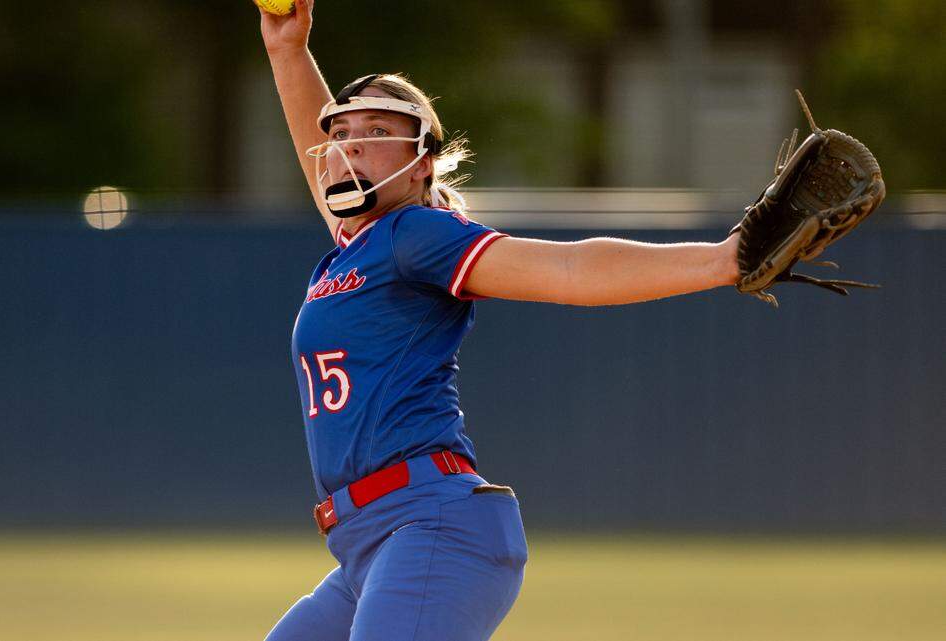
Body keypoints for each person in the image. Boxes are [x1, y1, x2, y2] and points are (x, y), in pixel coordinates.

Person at [258, 2, 739, 639]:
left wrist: (725, 260)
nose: (352, 146)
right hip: (367, 548)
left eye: (378, 131)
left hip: (431, 528)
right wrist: (287, 52)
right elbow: (324, 153)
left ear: (421, 161)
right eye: (344, 134)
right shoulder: (358, 248)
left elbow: (570, 272)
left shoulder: (415, 234)